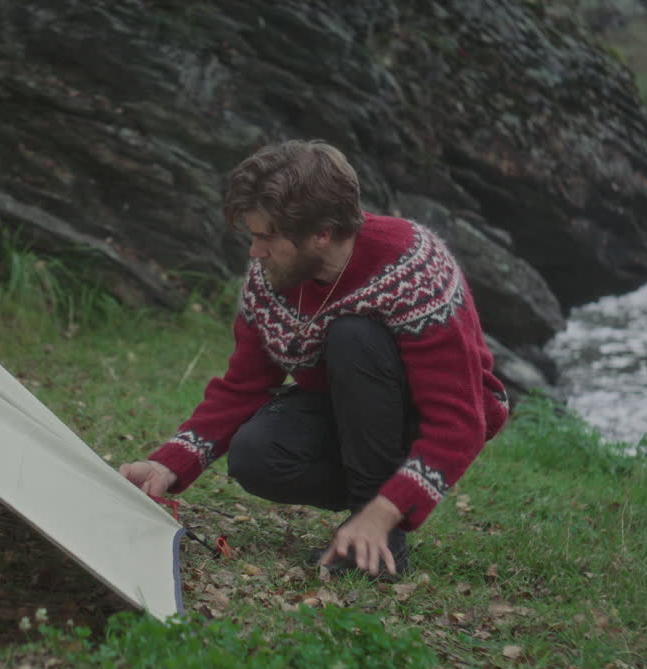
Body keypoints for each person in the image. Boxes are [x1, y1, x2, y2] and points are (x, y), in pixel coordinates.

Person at [120, 140, 509, 578]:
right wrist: (166, 464)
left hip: (424, 418)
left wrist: (383, 510)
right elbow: (243, 385)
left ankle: (379, 538)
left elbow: (461, 420)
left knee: (353, 337)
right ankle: (374, 509)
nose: (255, 251)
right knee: (255, 455)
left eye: (267, 236)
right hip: (345, 409)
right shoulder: (273, 277)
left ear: (322, 233)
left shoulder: (413, 267)